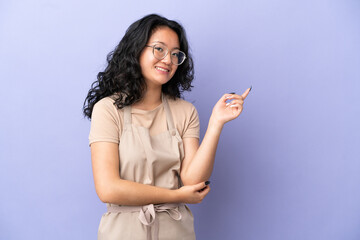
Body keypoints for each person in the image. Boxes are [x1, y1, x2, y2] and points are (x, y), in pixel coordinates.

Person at [83, 14, 251, 240]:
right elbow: (108, 188)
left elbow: (193, 180)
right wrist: (176, 195)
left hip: (176, 231)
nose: (168, 60)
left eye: (175, 54)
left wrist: (216, 123)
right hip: (122, 232)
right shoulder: (108, 110)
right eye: (159, 49)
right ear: (136, 50)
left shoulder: (185, 112)